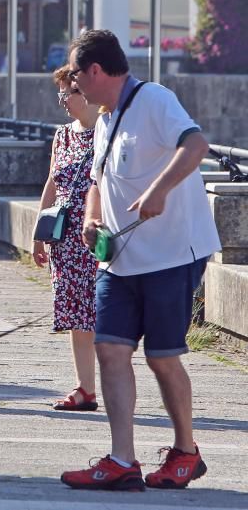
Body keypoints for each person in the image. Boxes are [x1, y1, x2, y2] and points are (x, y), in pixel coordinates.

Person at [60, 30, 220, 491]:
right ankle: (121, 459)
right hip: (120, 259)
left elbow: (196, 146)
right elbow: (97, 181)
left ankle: (186, 451)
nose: (73, 87)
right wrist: (92, 221)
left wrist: (158, 190)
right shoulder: (105, 118)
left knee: (162, 357)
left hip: (171, 254)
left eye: (75, 76)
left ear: (96, 71)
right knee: (110, 350)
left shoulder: (154, 99)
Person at [32, 65, 101, 414]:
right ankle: (85, 388)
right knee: (75, 315)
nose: (62, 100)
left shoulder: (107, 131)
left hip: (98, 238)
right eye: (59, 93)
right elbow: (51, 182)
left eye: (67, 93)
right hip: (64, 240)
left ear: (85, 92)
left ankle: (115, 383)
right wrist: (38, 235)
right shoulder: (62, 135)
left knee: (104, 313)